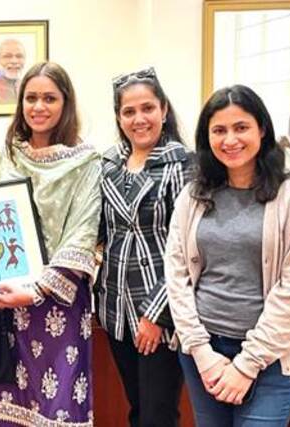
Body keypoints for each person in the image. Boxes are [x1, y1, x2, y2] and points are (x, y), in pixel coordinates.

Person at [165, 85, 290, 425]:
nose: (230, 140)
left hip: (271, 357)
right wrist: (202, 352)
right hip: (203, 350)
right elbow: (176, 277)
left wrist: (247, 364)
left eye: (241, 128)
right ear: (207, 138)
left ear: (262, 130)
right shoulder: (193, 195)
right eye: (219, 130)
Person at [0, 61, 102, 426]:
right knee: (8, 407)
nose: (39, 107)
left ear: (65, 103)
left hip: (58, 304)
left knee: (56, 407)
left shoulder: (87, 162)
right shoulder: (7, 155)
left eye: (49, 98)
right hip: (8, 306)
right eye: (31, 98)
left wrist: (38, 289)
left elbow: (82, 234)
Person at [97, 67, 191, 427]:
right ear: (119, 118)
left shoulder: (182, 164)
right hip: (116, 307)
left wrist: (156, 315)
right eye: (129, 111)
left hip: (159, 311)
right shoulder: (108, 165)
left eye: (147, 108)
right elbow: (100, 231)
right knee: (137, 408)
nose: (139, 119)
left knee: (158, 415)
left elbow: (186, 250)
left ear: (163, 110)